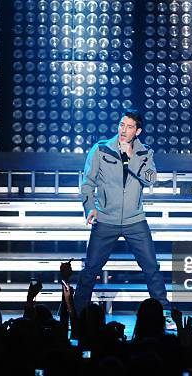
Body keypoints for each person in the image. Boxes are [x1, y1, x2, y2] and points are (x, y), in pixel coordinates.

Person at [73, 109, 169, 313]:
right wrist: (90, 208)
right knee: (90, 269)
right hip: (106, 219)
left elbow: (151, 178)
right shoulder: (101, 149)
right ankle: (77, 313)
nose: (123, 130)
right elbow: (87, 183)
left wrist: (132, 157)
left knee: (152, 268)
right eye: (122, 125)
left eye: (129, 127)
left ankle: (165, 313)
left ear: (138, 131)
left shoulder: (145, 152)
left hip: (135, 220)